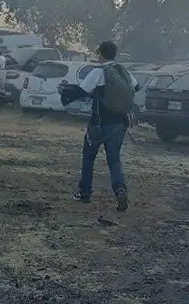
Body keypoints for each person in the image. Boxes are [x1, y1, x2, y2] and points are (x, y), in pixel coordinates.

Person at [58, 40, 139, 212]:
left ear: (100, 54)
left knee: (88, 157)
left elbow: (82, 91)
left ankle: (85, 193)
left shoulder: (98, 72)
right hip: (119, 124)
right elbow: (136, 87)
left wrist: (65, 93)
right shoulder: (123, 71)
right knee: (114, 160)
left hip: (99, 124)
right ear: (115, 54)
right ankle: (120, 189)